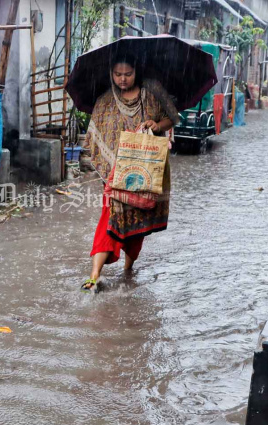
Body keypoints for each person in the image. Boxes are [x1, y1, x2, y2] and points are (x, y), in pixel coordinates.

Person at [80, 58, 178, 293]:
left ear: (137, 71)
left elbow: (173, 117)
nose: (122, 79)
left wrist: (156, 125)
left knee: (137, 225)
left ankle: (128, 269)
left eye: (128, 74)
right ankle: (94, 275)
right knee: (108, 220)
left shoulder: (153, 90)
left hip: (145, 171)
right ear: (111, 74)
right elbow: (96, 137)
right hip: (115, 174)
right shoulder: (105, 100)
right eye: (117, 74)